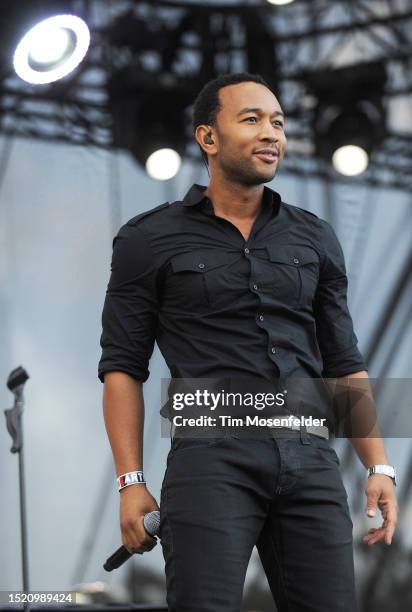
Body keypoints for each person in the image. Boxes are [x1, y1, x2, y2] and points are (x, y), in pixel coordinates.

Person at [98, 72, 398, 611]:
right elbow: (123, 367)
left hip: (310, 458)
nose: (271, 134)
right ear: (208, 138)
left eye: (278, 123)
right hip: (212, 460)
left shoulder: (314, 237)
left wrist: (378, 465)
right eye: (252, 119)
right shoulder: (148, 240)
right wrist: (130, 481)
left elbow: (343, 361)